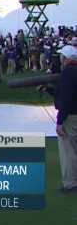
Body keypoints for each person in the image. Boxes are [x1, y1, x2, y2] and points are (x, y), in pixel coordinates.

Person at [38, 44, 77, 193]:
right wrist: (48, 89)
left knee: (68, 151)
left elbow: (66, 99)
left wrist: (60, 121)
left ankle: (71, 183)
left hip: (71, 117)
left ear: (65, 58)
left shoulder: (67, 74)